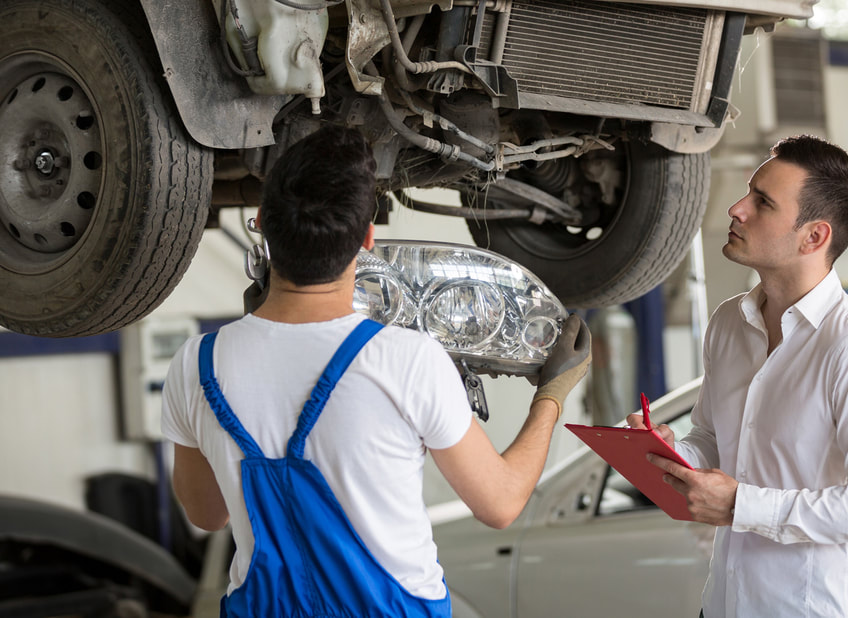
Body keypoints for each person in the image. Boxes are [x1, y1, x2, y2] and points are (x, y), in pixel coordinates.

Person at [161, 125, 591, 617]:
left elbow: (206, 513)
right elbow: (501, 503)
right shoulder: (406, 360)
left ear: (261, 223)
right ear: (367, 239)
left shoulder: (195, 365)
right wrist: (552, 394)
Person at [629, 135, 848, 616]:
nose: (736, 209)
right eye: (748, 193)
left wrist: (744, 506)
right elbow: (713, 441)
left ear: (814, 237)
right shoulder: (727, 323)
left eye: (762, 202)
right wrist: (669, 450)